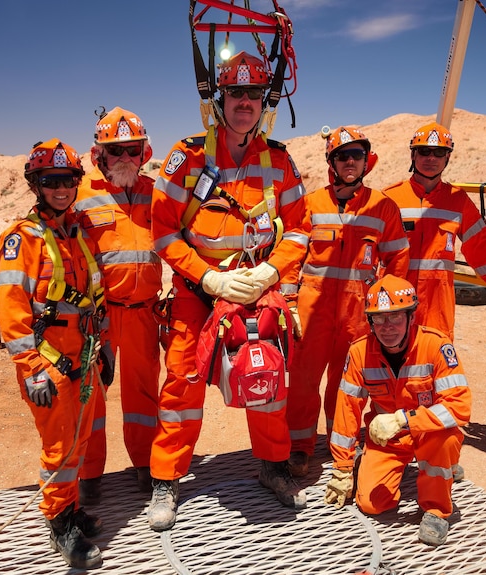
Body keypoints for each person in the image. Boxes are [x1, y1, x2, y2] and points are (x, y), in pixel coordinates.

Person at [147, 50, 310, 531]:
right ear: (220, 100)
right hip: (199, 292)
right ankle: (166, 478)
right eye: (236, 93)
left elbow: (300, 230)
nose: (245, 102)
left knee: (267, 378)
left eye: (253, 94)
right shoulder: (189, 157)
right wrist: (209, 277)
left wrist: (271, 273)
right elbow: (163, 232)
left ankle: (274, 468)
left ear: (264, 102)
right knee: (182, 383)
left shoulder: (279, 160)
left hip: (256, 290)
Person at [0, 139, 112, 568]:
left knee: (79, 439)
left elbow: (95, 297)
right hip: (48, 362)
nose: (61, 189)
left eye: (68, 180)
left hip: (85, 354)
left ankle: (70, 508)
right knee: (59, 447)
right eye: (51, 181)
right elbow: (10, 311)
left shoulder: (78, 233)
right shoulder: (21, 240)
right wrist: (31, 370)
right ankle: (59, 521)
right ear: (36, 185)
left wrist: (106, 347)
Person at [283, 126, 410, 478]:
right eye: (342, 156)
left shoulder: (383, 207)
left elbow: (398, 262)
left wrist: (389, 309)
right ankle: (299, 447)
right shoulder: (310, 203)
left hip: (357, 315)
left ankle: (342, 446)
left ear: (366, 160)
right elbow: (292, 256)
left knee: (348, 385)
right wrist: (291, 303)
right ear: (331, 162)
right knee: (305, 382)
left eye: (356, 155)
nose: (349, 161)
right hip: (313, 310)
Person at [323, 274, 471, 547]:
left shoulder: (436, 346)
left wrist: (404, 419)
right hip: (388, 439)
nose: (386, 326)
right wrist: (342, 468)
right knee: (371, 504)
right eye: (378, 318)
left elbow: (459, 406)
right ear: (370, 321)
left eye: (395, 317)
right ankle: (392, 467)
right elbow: (347, 411)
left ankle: (436, 510)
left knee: (447, 439)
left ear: (411, 317)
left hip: (429, 434)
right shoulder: (359, 352)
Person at [74, 106, 163, 504]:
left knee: (144, 394)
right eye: (116, 150)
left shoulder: (156, 192)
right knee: (92, 394)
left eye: (133, 149)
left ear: (144, 153)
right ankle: (90, 473)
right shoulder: (80, 197)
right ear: (99, 156)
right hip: (101, 317)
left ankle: (145, 464)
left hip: (145, 311)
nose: (125, 158)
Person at [382, 121, 486, 341]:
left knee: (435, 359)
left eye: (439, 152)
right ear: (413, 156)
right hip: (394, 299)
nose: (431, 158)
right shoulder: (390, 198)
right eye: (424, 151)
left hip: (437, 303)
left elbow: (479, 243)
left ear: (447, 158)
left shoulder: (457, 200)